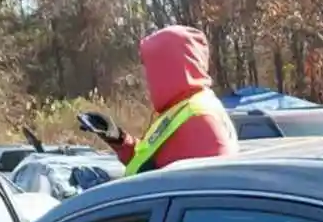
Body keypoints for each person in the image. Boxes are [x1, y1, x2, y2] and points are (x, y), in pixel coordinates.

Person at [77, 25, 237, 175]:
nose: (147, 78)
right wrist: (119, 139)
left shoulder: (200, 121)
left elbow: (205, 190)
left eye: (151, 69)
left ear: (170, 68)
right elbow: (150, 162)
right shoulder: (182, 108)